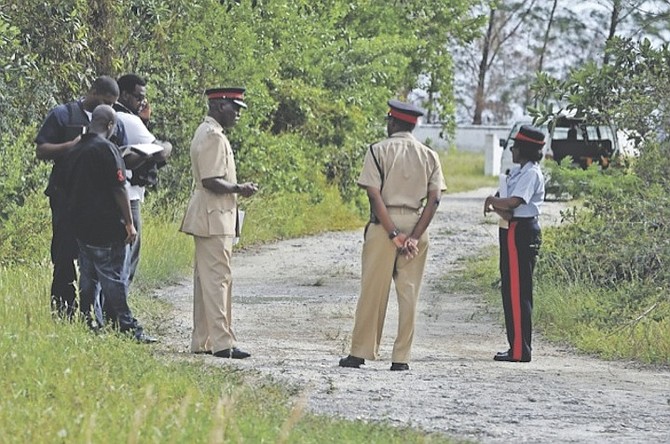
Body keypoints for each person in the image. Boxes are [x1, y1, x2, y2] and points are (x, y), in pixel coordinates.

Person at [339, 99, 446, 371]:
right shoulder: (429, 155)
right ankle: (401, 358)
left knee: (373, 290)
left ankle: (360, 351)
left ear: (394, 121)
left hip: (384, 226)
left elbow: (374, 195)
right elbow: (434, 200)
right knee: (409, 294)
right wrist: (412, 237)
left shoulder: (377, 150)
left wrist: (394, 234)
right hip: (416, 223)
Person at [35, 76, 127, 319]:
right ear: (92, 91)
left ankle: (98, 315)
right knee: (65, 254)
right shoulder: (62, 115)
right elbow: (42, 149)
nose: (107, 106)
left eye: (112, 103)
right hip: (66, 197)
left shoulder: (112, 120)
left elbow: (121, 152)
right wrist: (72, 145)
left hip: (100, 204)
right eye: (104, 100)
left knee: (101, 260)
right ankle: (64, 312)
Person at [62, 104, 156, 343]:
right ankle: (127, 325)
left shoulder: (75, 148)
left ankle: (88, 319)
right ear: (110, 125)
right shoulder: (107, 149)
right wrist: (129, 222)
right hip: (106, 225)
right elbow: (119, 187)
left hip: (81, 225)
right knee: (114, 277)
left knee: (89, 274)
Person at [180, 87, 258, 359]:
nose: (237, 114)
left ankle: (203, 340)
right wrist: (239, 187)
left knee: (206, 281)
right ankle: (224, 343)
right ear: (219, 105)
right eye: (234, 108)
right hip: (214, 216)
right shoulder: (212, 136)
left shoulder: (209, 132)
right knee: (218, 279)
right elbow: (210, 180)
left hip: (213, 215)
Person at [484, 125, 545, 363]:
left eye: (515, 146)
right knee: (511, 289)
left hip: (521, 231)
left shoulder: (531, 173)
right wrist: (498, 203)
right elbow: (508, 207)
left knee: (519, 292)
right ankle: (516, 346)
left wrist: (493, 200)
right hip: (513, 228)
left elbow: (515, 202)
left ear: (525, 150)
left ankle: (520, 351)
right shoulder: (519, 171)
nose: (512, 150)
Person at [114, 74, 173, 285]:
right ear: (124, 95)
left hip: (102, 196)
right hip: (128, 196)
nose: (142, 103)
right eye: (139, 98)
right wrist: (167, 146)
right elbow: (160, 152)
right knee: (129, 255)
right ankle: (120, 309)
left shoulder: (104, 114)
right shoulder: (128, 119)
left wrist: (144, 120)